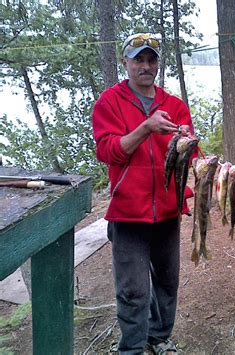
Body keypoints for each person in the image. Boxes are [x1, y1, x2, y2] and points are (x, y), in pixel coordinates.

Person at [92, 33, 195, 354]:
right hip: (128, 214)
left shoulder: (174, 105)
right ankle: (132, 348)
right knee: (133, 290)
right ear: (126, 62)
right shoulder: (109, 102)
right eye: (139, 59)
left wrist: (186, 141)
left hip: (168, 211)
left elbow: (191, 154)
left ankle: (159, 336)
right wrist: (145, 127)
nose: (146, 66)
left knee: (167, 283)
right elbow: (108, 151)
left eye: (151, 60)